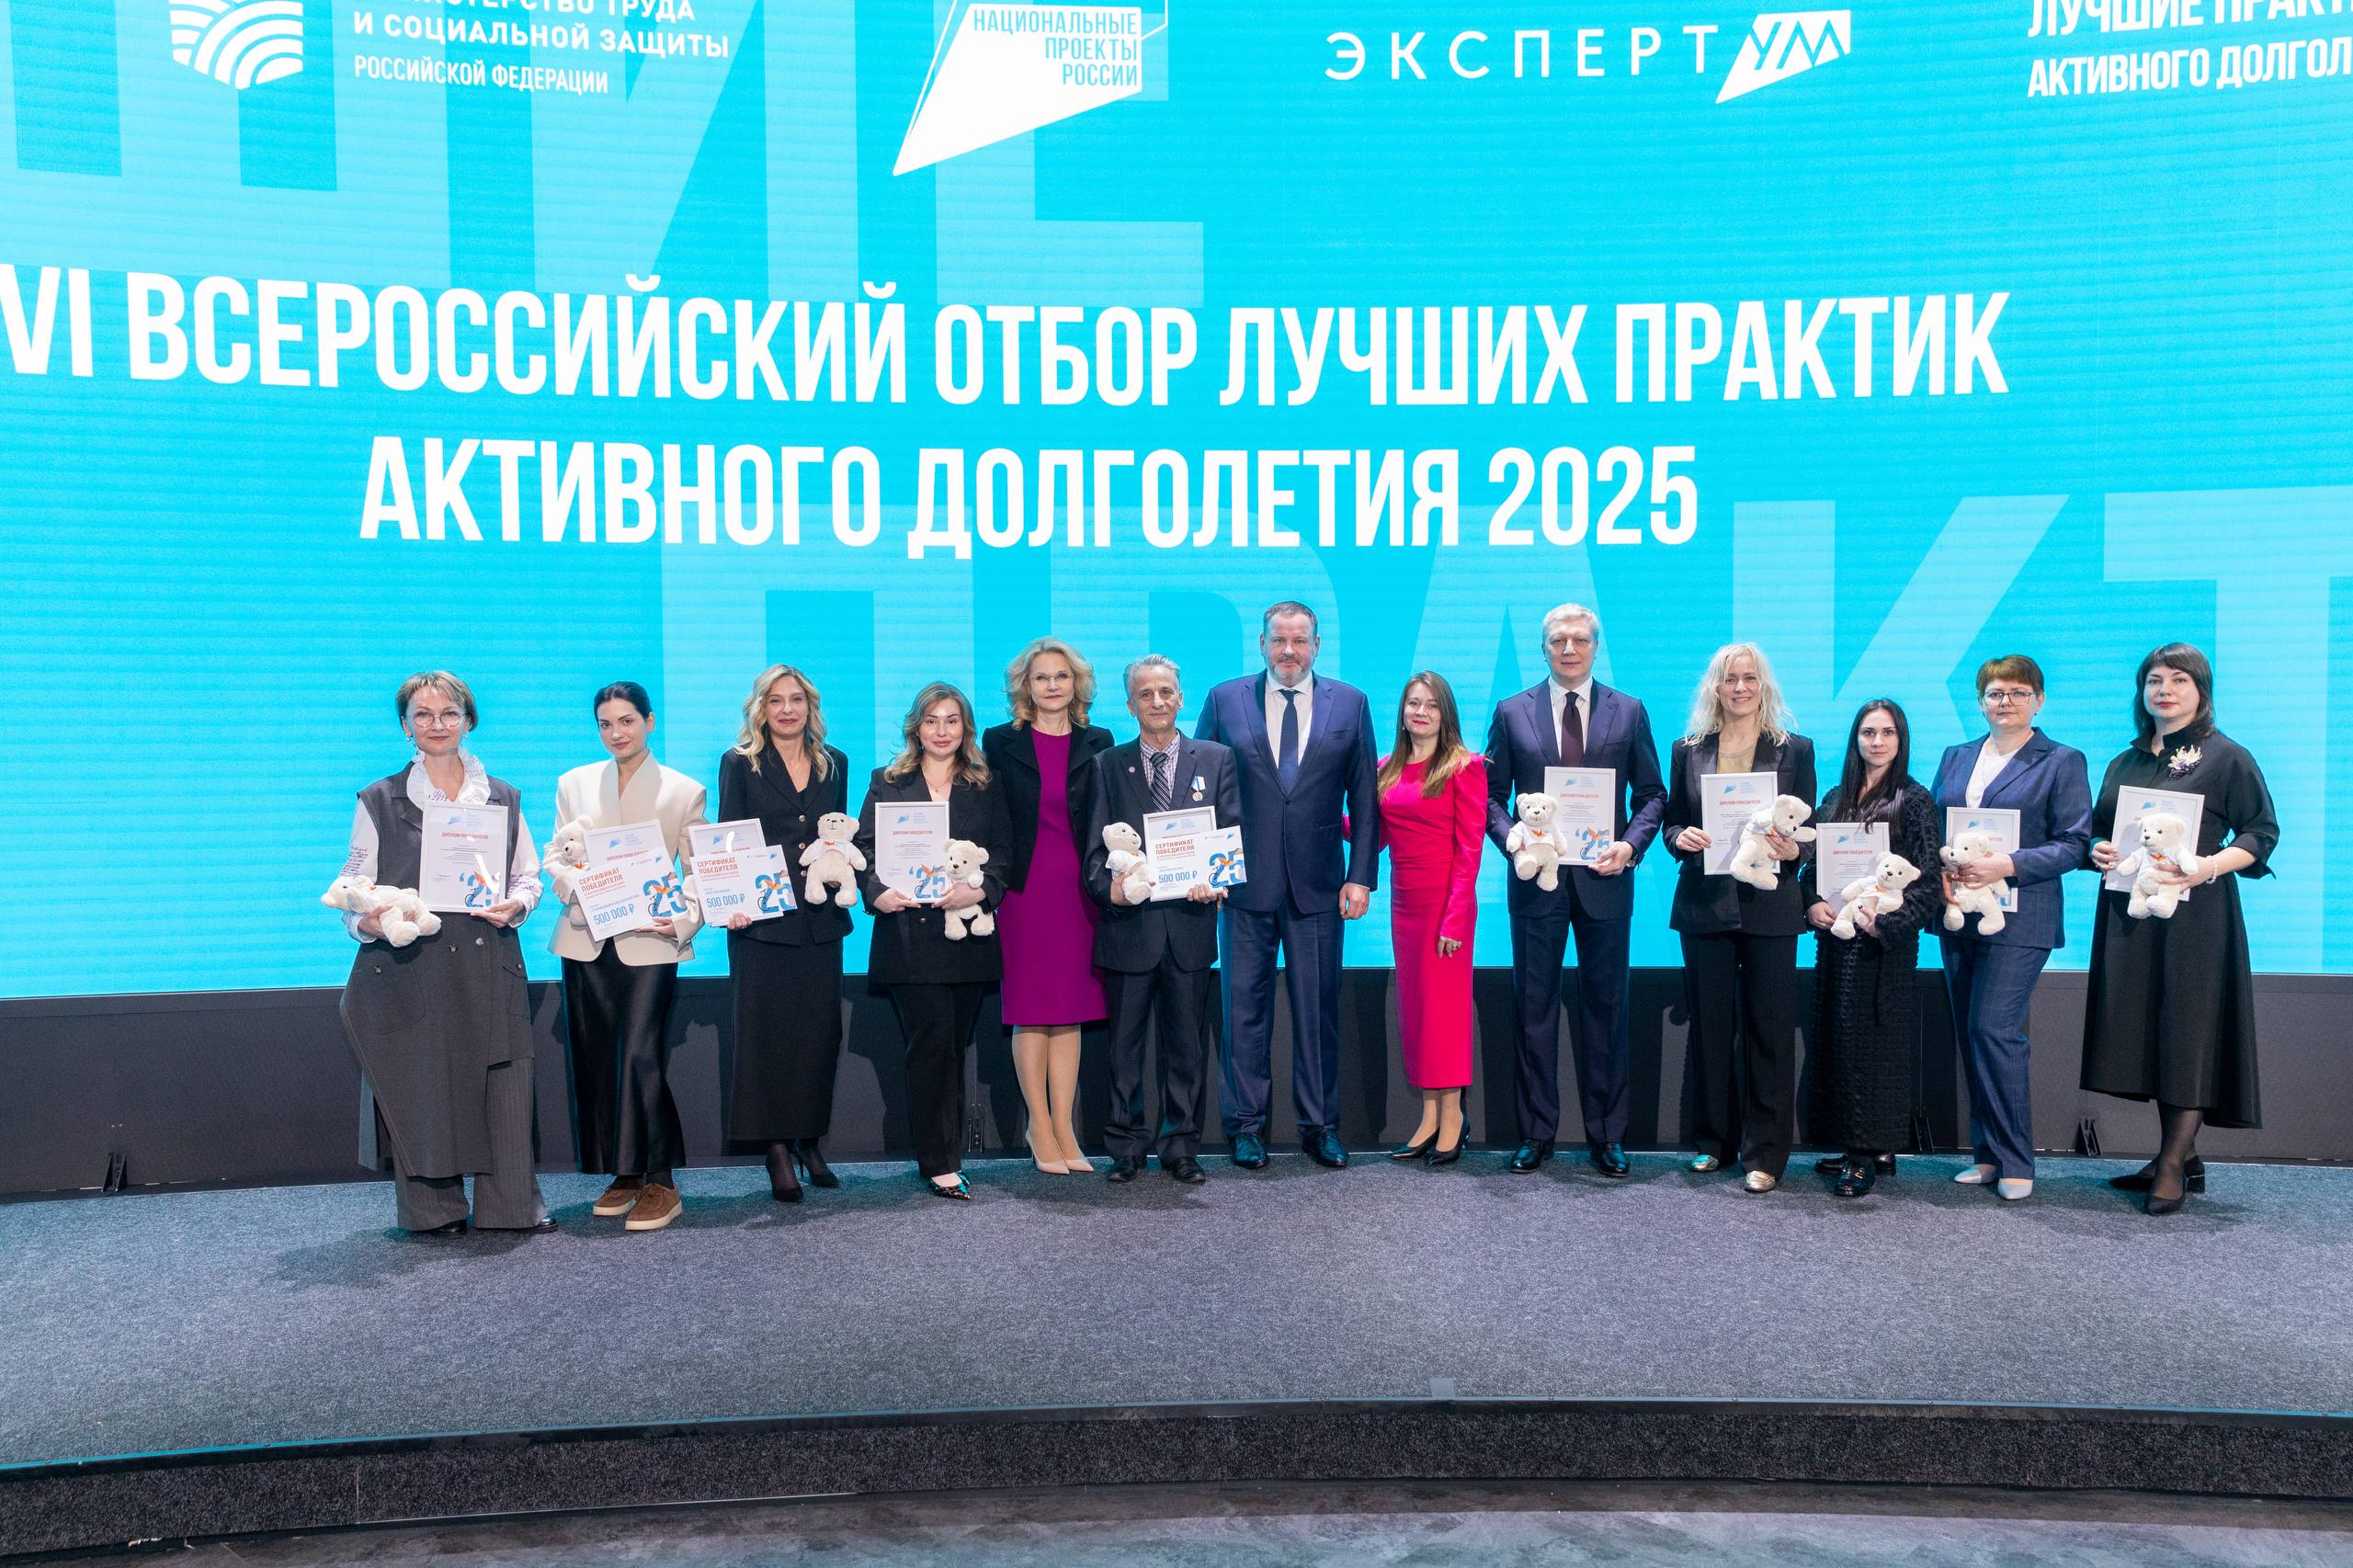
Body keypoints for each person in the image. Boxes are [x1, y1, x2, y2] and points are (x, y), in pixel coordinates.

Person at [333, 671, 551, 1237]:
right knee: (424, 1084)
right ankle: (433, 1212)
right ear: (406, 727)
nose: (437, 724)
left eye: (449, 713)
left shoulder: (502, 796)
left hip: (489, 956)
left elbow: (528, 876)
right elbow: (353, 885)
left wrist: (518, 905)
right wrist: (368, 921)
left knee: (504, 1084)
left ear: (468, 721)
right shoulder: (379, 800)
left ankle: (511, 1207)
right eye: (423, 715)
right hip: (414, 965)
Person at [2082, 644, 2277, 1216]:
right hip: (2130, 915)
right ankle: (2181, 1155)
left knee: (2187, 1032)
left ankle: (2172, 1164)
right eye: (2154, 680)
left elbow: (2261, 833)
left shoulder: (2226, 756)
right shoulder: (2124, 761)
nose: (2164, 690)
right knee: (2146, 1031)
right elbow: (2097, 830)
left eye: (2178, 680)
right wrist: (2096, 849)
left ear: (2201, 690)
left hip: (2197, 919)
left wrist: (2207, 866)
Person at [1482, 602, 1667, 1177]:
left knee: (1607, 1009)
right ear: (1543, 649)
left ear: (1595, 646)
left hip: (1606, 880)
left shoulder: (1629, 711)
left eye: (1580, 640)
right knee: (1533, 1008)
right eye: (1558, 640)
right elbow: (1490, 797)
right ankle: (1536, 1132)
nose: (1569, 649)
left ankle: (1607, 1134)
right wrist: (1515, 841)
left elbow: (1652, 795)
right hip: (1536, 884)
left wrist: (1630, 847)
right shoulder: (1511, 712)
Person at [1195, 601, 1381, 1170]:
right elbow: (1201, 790)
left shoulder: (1351, 702)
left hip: (1320, 887)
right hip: (1241, 886)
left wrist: (1361, 876)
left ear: (1317, 646)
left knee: (1317, 1013)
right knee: (1242, 1013)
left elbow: (1365, 797)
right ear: (1262, 644)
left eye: (1300, 641)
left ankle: (1319, 1126)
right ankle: (1245, 1127)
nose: (1289, 651)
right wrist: (1206, 869)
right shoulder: (1224, 699)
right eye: (1279, 640)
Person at [1929, 655, 2093, 1203]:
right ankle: (1987, 1154)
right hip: (1959, 912)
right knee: (1970, 1032)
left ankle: (2016, 1159)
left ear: (2039, 701)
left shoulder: (2062, 760)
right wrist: (1939, 872)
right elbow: (1938, 830)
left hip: (2022, 916)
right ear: (1981, 702)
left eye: (2019, 693)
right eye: (1995, 693)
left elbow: (2075, 844)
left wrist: (2009, 864)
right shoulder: (1956, 756)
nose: (2007, 702)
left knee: (1994, 1030)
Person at [547, 682, 707, 1233]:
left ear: (649, 722)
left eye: (627, 721)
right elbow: (556, 855)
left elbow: (698, 870)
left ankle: (661, 1180)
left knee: (641, 1056)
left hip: (650, 940)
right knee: (597, 1056)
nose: (616, 733)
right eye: (605, 724)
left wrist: (682, 920)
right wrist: (578, 886)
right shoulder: (573, 783)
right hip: (586, 938)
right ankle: (626, 1171)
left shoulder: (683, 790)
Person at [1663, 644, 1815, 1193]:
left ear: (1763, 685)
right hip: (1705, 903)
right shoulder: (1687, 750)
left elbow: (1808, 829)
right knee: (1711, 1029)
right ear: (1716, 687)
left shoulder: (1795, 749)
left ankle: (1766, 1153)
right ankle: (1713, 1142)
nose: (1740, 688)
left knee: (1769, 1031)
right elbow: (1673, 822)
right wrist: (1679, 837)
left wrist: (1794, 849)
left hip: (1770, 905)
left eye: (1749, 678)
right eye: (1730, 679)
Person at [1084, 655, 1241, 1186]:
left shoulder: (1217, 759)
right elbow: (1094, 851)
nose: (1157, 701)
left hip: (1190, 927)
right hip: (1128, 930)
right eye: (1146, 694)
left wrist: (1216, 879)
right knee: (1123, 1050)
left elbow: (1231, 835)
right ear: (1131, 705)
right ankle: (1126, 1147)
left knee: (1186, 1049)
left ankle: (1181, 1147)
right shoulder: (1108, 764)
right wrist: (1111, 891)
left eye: (1166, 692)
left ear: (1181, 698)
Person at [855, 683, 1013, 1199]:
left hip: (966, 939)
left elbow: (1005, 854)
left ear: (965, 728)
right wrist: (876, 893)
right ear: (915, 728)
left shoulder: (985, 783)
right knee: (930, 1048)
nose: (942, 731)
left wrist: (979, 890)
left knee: (953, 1048)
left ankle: (944, 1154)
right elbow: (863, 850)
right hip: (908, 937)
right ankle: (940, 1162)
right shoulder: (887, 781)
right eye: (932, 721)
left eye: (952, 720)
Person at [717, 665, 854, 1203]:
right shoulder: (739, 763)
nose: (787, 709)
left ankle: (809, 1140)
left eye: (796, 699)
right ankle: (776, 1147)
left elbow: (837, 837)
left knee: (818, 1036)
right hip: (762, 924)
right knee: (766, 1037)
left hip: (820, 923)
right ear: (761, 709)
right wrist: (732, 901)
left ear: (810, 706)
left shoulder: (834, 762)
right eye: (776, 700)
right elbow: (730, 839)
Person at [983, 638, 1115, 1174]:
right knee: (1031, 1010)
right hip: (1023, 890)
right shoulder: (1000, 741)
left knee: (1070, 1011)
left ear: (1076, 683)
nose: (1053, 685)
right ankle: (1039, 1126)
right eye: (1042, 677)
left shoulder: (1099, 740)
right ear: (1025, 685)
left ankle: (1065, 1127)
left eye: (1062, 676)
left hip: (1079, 891)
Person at [1802, 699, 1940, 1199]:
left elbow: (1928, 883)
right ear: (1855, 740)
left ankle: (1865, 1155)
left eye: (1887, 733)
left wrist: (1885, 924)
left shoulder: (1915, 800)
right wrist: (1811, 902)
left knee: (1876, 1048)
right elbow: (1811, 867)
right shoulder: (1836, 797)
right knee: (1839, 1044)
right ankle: (1863, 1145)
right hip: (1837, 943)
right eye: (1867, 732)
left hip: (1884, 950)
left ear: (1901, 740)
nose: (1877, 742)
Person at [1378, 672, 1486, 1166]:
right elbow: (1374, 835)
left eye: (1431, 705)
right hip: (1404, 905)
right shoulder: (1385, 769)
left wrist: (1455, 919)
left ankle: (1453, 1116)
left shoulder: (1466, 766)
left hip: (1447, 905)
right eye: (1413, 704)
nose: (1420, 712)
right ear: (1402, 712)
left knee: (1445, 1013)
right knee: (1417, 1010)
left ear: (1446, 713)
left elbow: (1470, 851)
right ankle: (1428, 1116)